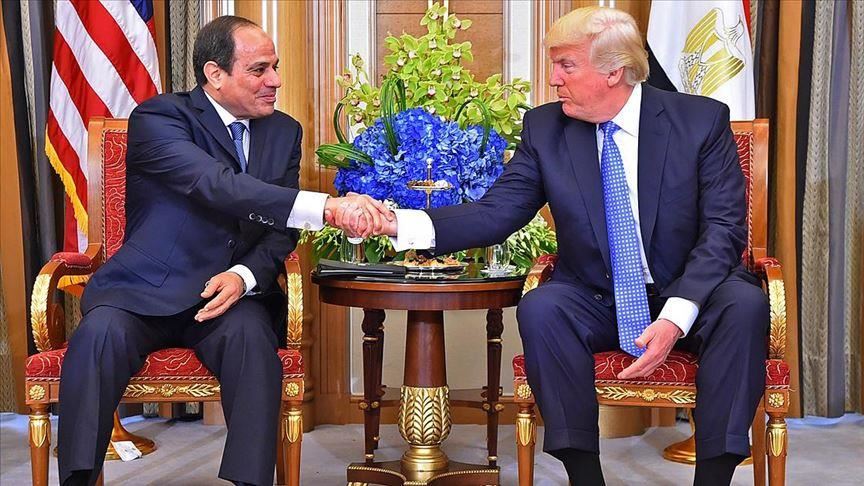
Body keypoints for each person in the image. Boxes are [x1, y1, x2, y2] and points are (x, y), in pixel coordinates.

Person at [341, 6, 769, 486]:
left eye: (566, 65)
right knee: (543, 307)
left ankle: (714, 477)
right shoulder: (546, 128)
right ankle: (585, 477)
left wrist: (675, 316)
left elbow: (723, 230)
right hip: (597, 296)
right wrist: (396, 223)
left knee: (744, 304)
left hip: (690, 291)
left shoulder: (700, 121)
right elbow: (495, 213)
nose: (553, 79)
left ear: (614, 71)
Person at [57, 16, 391, 486]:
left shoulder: (284, 132)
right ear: (215, 74)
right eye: (259, 69)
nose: (275, 80)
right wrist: (328, 208)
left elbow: (279, 231)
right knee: (97, 337)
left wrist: (244, 276)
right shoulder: (159, 117)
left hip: (229, 295)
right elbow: (215, 185)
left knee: (253, 341)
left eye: (275, 67)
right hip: (143, 292)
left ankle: (250, 481)